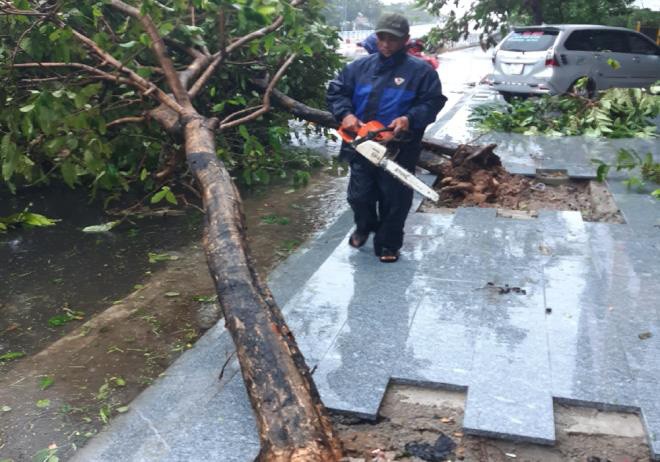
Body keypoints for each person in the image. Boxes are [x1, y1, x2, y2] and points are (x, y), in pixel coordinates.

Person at [327, 13, 447, 263]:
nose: (385, 43)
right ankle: (364, 227)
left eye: (392, 39)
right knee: (359, 195)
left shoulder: (421, 72)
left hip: (398, 147)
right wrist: (345, 114)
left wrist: (409, 119)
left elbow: (432, 102)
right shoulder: (358, 68)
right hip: (361, 143)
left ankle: (388, 244)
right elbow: (337, 92)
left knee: (394, 198)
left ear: (405, 39)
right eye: (381, 37)